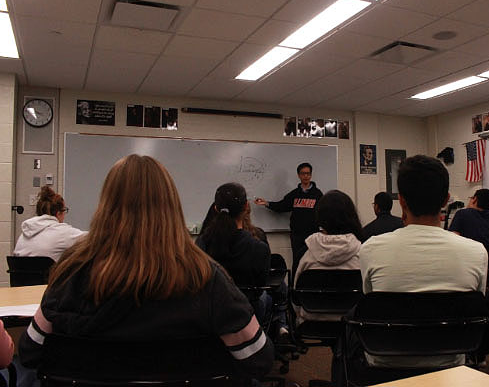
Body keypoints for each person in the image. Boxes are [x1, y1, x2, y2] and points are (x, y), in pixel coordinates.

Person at [18, 155, 273, 378]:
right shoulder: (206, 277)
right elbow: (258, 358)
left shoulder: (71, 272)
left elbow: (30, 351)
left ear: (106, 205)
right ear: (171, 206)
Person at [359, 155, 487, 369]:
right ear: (446, 200)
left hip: (383, 361)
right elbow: (475, 310)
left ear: (401, 200)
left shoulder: (371, 249)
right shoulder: (476, 252)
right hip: (450, 362)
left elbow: (370, 304)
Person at [196, 183, 271, 326]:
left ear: (216, 208)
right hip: (247, 314)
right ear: (246, 207)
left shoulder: (201, 244)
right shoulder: (259, 247)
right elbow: (260, 285)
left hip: (210, 314)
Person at [294, 190, 363, 323]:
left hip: (311, 325)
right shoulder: (363, 254)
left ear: (320, 218)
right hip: (352, 328)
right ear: (350, 217)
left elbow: (296, 300)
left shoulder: (304, 254)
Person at [254, 162, 323, 274]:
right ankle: (295, 287)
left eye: (308, 173)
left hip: (312, 234)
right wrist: (266, 203)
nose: (306, 176)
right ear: (298, 175)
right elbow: (281, 206)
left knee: (313, 262)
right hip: (297, 235)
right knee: (297, 261)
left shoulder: (318, 194)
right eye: (303, 173)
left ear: (311, 175)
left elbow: (322, 213)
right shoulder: (294, 194)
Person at [13, 186, 86, 262]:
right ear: (58, 213)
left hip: (23, 274)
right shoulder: (62, 232)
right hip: (50, 274)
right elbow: (94, 239)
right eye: (65, 210)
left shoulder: (24, 234)